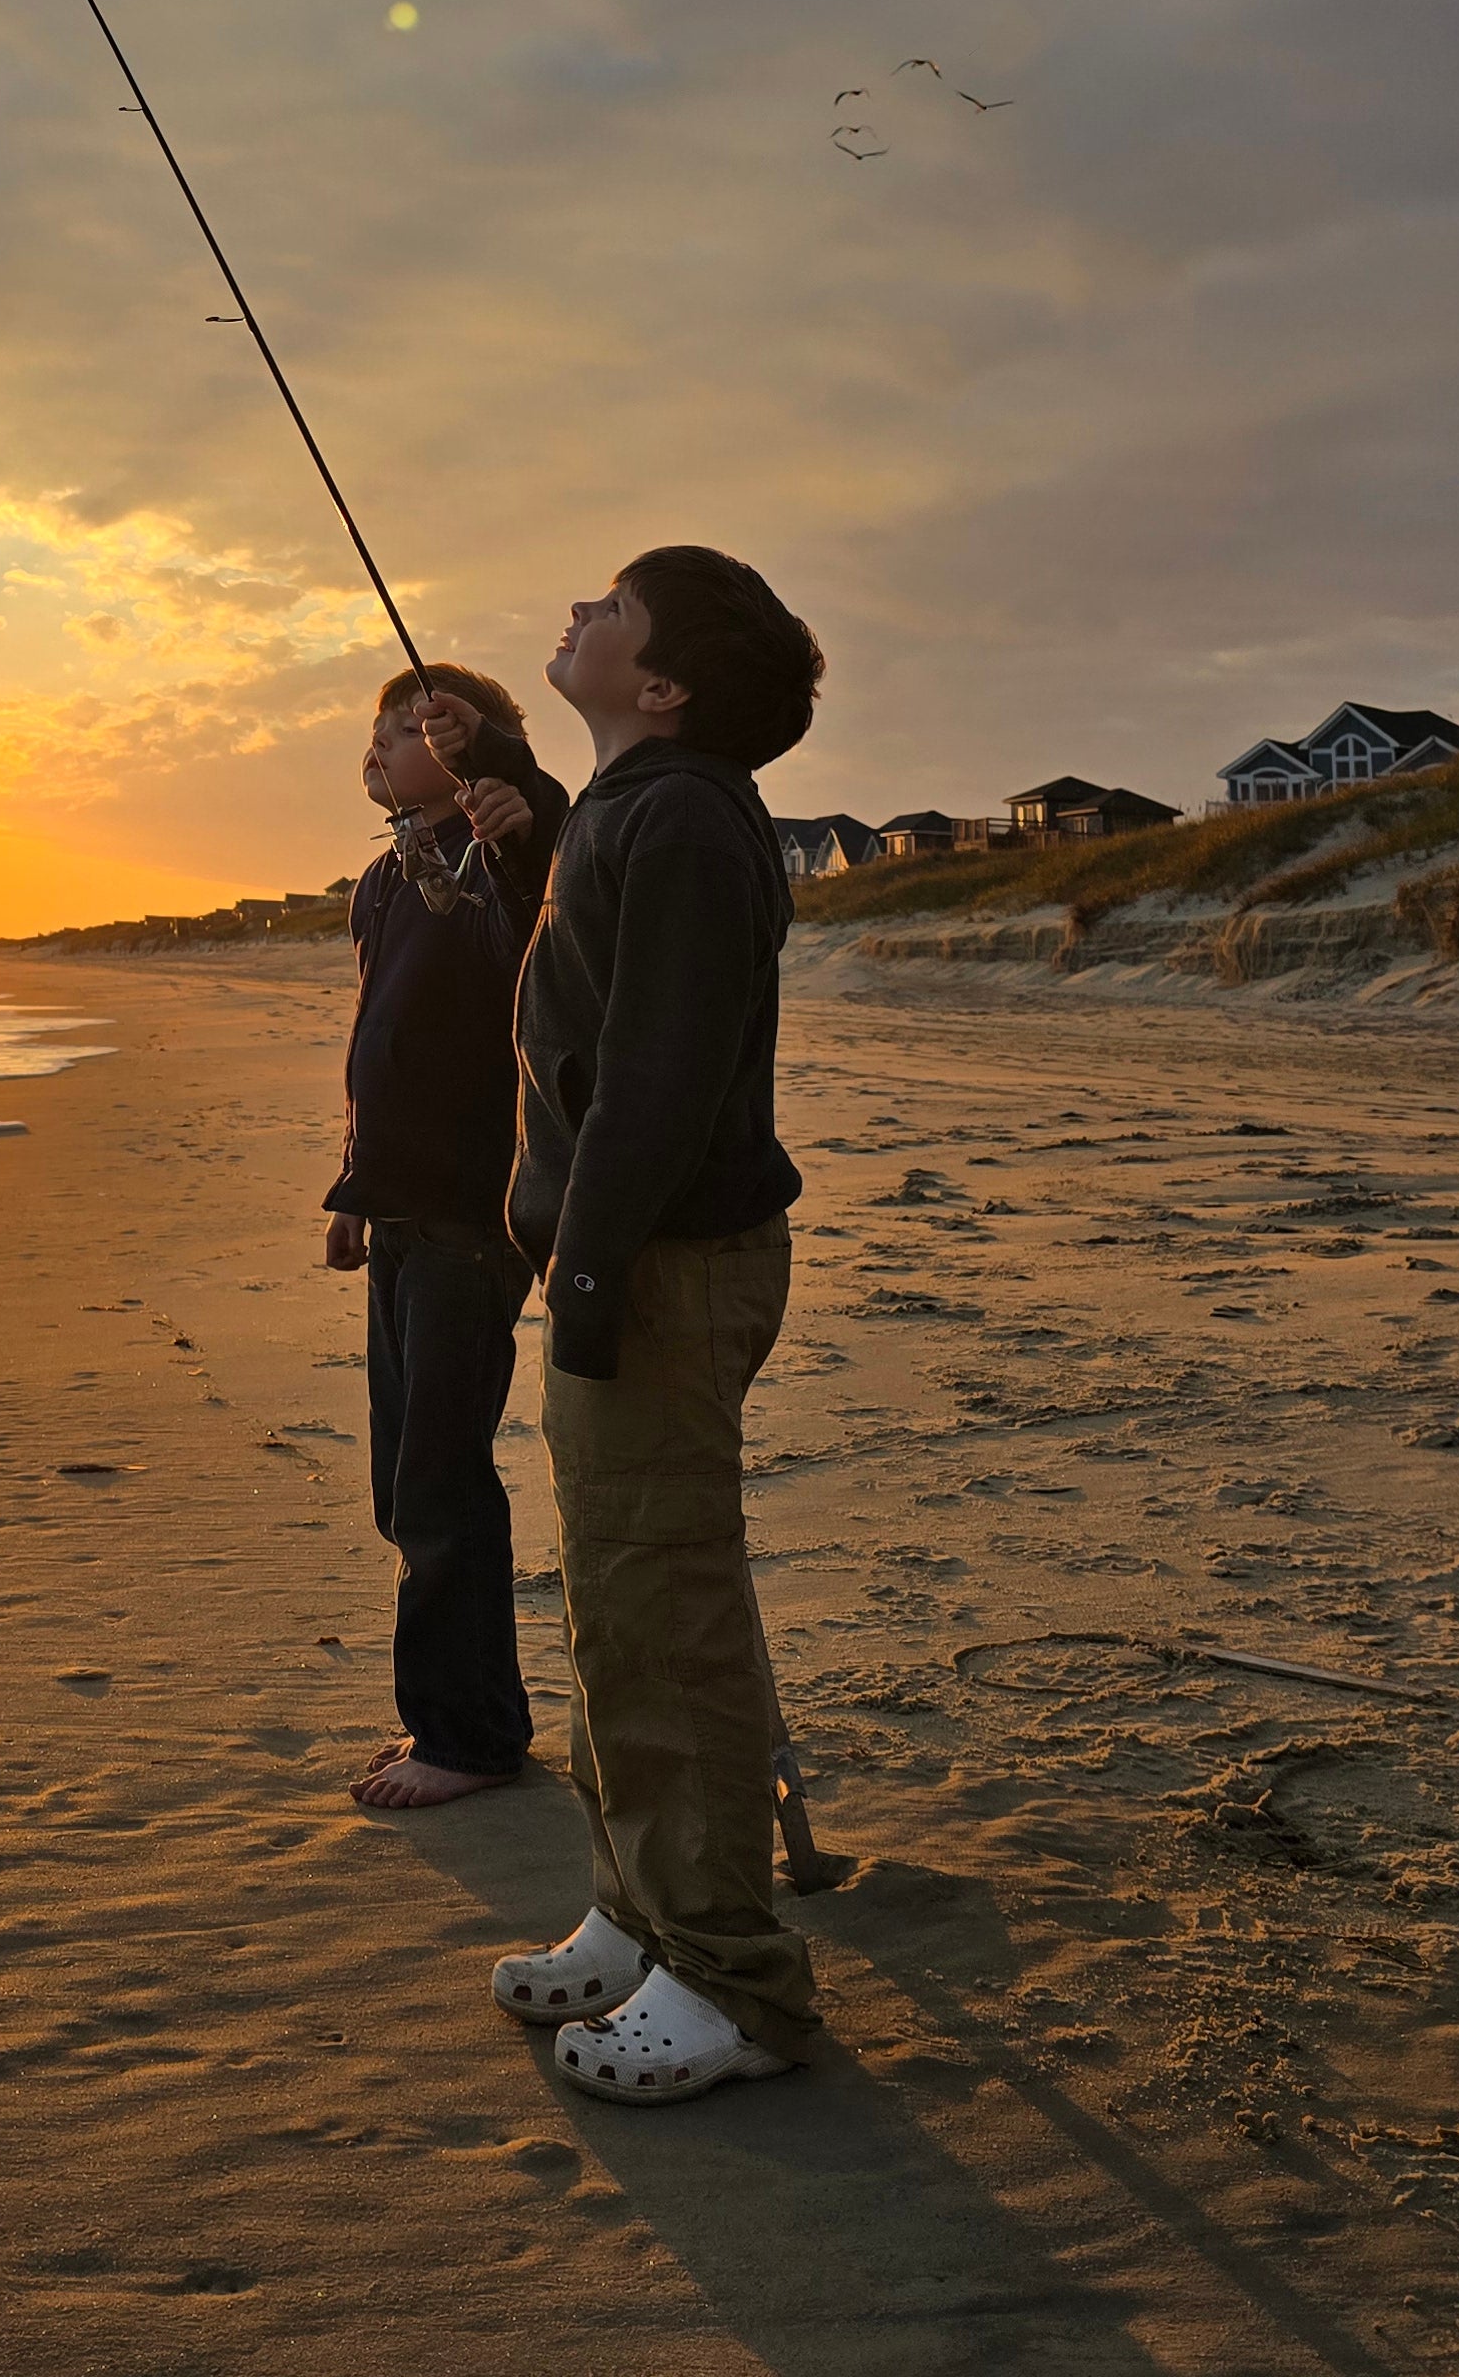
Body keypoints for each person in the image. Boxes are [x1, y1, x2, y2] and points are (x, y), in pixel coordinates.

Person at [416, 548, 824, 2106]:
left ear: (663, 686)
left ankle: (733, 1977)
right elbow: (584, 933)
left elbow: (658, 1072)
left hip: (656, 1265)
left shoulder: (694, 819)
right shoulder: (639, 809)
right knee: (610, 1605)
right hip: (619, 1257)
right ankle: (643, 1911)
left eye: (614, 605)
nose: (576, 609)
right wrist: (506, 768)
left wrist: (583, 1271)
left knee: (665, 1612)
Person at [322, 661, 568, 1813]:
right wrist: (352, 1187)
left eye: (405, 732)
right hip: (403, 1207)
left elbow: (535, 915)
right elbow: (381, 1044)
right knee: (401, 1483)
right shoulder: (383, 877)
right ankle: (457, 1709)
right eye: (372, 734)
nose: (377, 748)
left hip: (475, 1213)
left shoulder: (503, 849)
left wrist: (501, 778)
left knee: (440, 1482)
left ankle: (468, 1735)